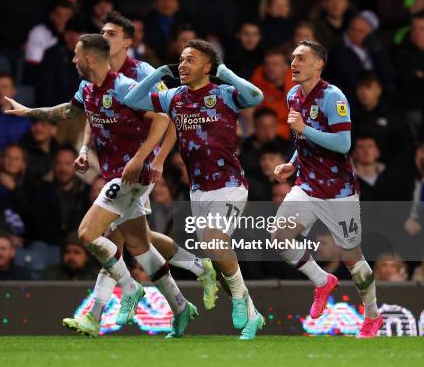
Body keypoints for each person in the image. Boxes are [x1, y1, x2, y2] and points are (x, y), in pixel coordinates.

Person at [4, 34, 197, 339]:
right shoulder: (87, 88)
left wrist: (141, 158)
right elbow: (67, 112)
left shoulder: (123, 87)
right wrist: (29, 111)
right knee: (140, 246)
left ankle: (131, 289)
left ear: (90, 59)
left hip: (132, 175)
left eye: (76, 55)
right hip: (115, 174)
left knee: (87, 234)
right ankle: (181, 305)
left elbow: (161, 118)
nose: (73, 60)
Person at [64, 12, 217, 337]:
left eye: (112, 33)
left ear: (128, 41)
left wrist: (158, 159)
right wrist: (84, 148)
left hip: (136, 169)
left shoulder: (141, 74)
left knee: (109, 236)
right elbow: (95, 115)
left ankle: (97, 312)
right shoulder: (94, 80)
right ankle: (189, 283)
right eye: (103, 31)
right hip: (114, 167)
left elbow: (168, 114)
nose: (106, 36)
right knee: (140, 242)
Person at [123, 38, 266, 340]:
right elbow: (133, 101)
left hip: (230, 186)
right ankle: (253, 315)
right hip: (198, 190)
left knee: (215, 242)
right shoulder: (174, 97)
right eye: (181, 59)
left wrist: (224, 73)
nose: (183, 64)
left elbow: (255, 96)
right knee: (218, 255)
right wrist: (159, 72)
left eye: (191, 60)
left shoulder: (224, 94)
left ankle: (240, 299)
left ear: (207, 66)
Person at [272, 39, 382, 338]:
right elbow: (302, 141)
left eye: (302, 58)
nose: (294, 63)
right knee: (280, 237)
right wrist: (293, 163)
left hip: (338, 191)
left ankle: (372, 315)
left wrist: (305, 129)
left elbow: (343, 143)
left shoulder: (334, 97)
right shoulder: (294, 94)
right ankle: (322, 281)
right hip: (306, 186)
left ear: (318, 64)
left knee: (353, 260)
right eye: (293, 57)